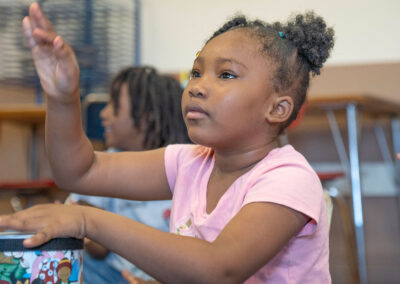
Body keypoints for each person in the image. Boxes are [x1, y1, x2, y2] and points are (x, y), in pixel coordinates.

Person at [0, 3, 335, 283]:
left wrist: (88, 220)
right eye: (196, 72)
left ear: (277, 109)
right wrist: (62, 97)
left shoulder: (289, 178)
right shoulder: (188, 162)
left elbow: (220, 268)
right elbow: (79, 171)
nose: (198, 87)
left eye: (226, 74)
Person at [66, 66, 189, 284]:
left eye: (114, 105)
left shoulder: (190, 166)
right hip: (119, 276)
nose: (103, 113)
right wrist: (82, 221)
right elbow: (99, 251)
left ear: (146, 116)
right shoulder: (106, 162)